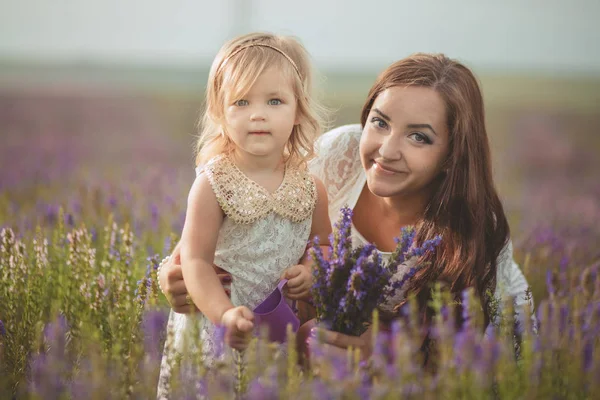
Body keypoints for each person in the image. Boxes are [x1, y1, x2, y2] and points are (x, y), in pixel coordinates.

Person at [158, 53, 533, 367]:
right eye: (380, 122)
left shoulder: (475, 231)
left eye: (419, 136)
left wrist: (382, 353)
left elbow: (482, 360)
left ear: (452, 155)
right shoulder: (336, 157)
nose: (387, 150)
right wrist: (175, 275)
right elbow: (243, 217)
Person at [156, 32, 331, 398]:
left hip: (275, 333)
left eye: (274, 100)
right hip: (215, 327)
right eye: (241, 101)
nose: (258, 114)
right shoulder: (213, 184)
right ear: (220, 112)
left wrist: (312, 271)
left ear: (298, 109)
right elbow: (196, 261)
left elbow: (322, 245)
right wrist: (224, 315)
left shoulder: (311, 187)